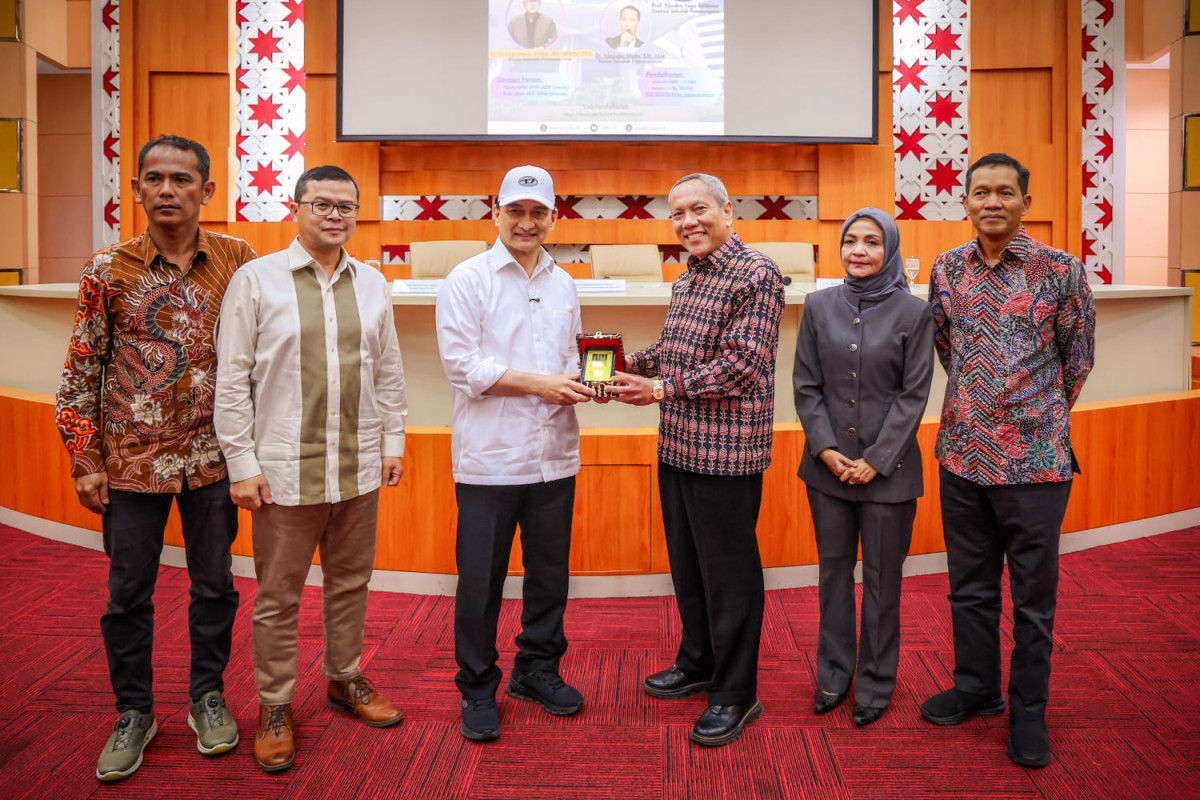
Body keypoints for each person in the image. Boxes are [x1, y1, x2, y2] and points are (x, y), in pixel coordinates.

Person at [55, 134, 254, 781]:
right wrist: (85, 457)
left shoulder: (240, 262)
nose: (167, 190)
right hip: (130, 466)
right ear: (137, 188)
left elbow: (261, 362)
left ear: (207, 190)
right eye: (155, 178)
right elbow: (80, 373)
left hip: (213, 461)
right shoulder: (106, 269)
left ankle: (207, 696)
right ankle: (134, 711)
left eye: (182, 179)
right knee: (127, 595)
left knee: (215, 587)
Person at [214, 165, 409, 772]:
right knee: (278, 595)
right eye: (321, 204)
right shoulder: (256, 279)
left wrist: (393, 442)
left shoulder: (372, 283)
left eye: (345, 206)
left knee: (351, 582)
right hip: (283, 470)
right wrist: (241, 462)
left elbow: (388, 370)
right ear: (295, 208)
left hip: (357, 464)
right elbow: (231, 380)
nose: (334, 215)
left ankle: (344, 677)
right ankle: (275, 705)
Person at [919, 153, 1095, 768]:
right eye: (980, 192)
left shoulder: (1061, 271)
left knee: (1032, 599)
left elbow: (1078, 360)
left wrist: (1030, 415)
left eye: (1004, 192)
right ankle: (977, 687)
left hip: (1035, 464)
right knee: (968, 588)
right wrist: (981, 406)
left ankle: (1028, 711)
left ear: (1025, 202)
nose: (991, 201)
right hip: (962, 455)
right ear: (965, 201)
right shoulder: (946, 269)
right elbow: (947, 347)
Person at [607, 173, 785, 746]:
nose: (688, 222)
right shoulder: (688, 278)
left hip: (726, 454)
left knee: (730, 578)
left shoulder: (756, 274)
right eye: (677, 213)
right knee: (688, 568)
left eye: (699, 209)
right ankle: (699, 662)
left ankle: (736, 692)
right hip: (679, 445)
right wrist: (620, 363)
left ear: (728, 210)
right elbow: (673, 350)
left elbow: (741, 366)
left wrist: (658, 389)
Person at [435, 165, 594, 742]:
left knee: (549, 576)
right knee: (481, 582)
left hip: (555, 456)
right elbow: (463, 367)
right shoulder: (467, 279)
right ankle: (478, 687)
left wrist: (586, 380)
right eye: (516, 211)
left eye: (538, 213)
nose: (527, 222)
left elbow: (570, 356)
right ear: (495, 212)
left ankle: (537, 669)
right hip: (491, 459)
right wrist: (541, 385)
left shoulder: (564, 282)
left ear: (554, 218)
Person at [792, 208, 934, 727]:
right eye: (850, 240)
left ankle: (875, 682)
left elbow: (913, 394)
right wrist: (825, 449)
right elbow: (806, 386)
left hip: (889, 475)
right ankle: (833, 674)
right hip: (826, 472)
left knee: (881, 582)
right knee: (833, 577)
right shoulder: (818, 305)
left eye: (872, 242)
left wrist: (875, 461)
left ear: (889, 249)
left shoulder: (914, 313)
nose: (858, 250)